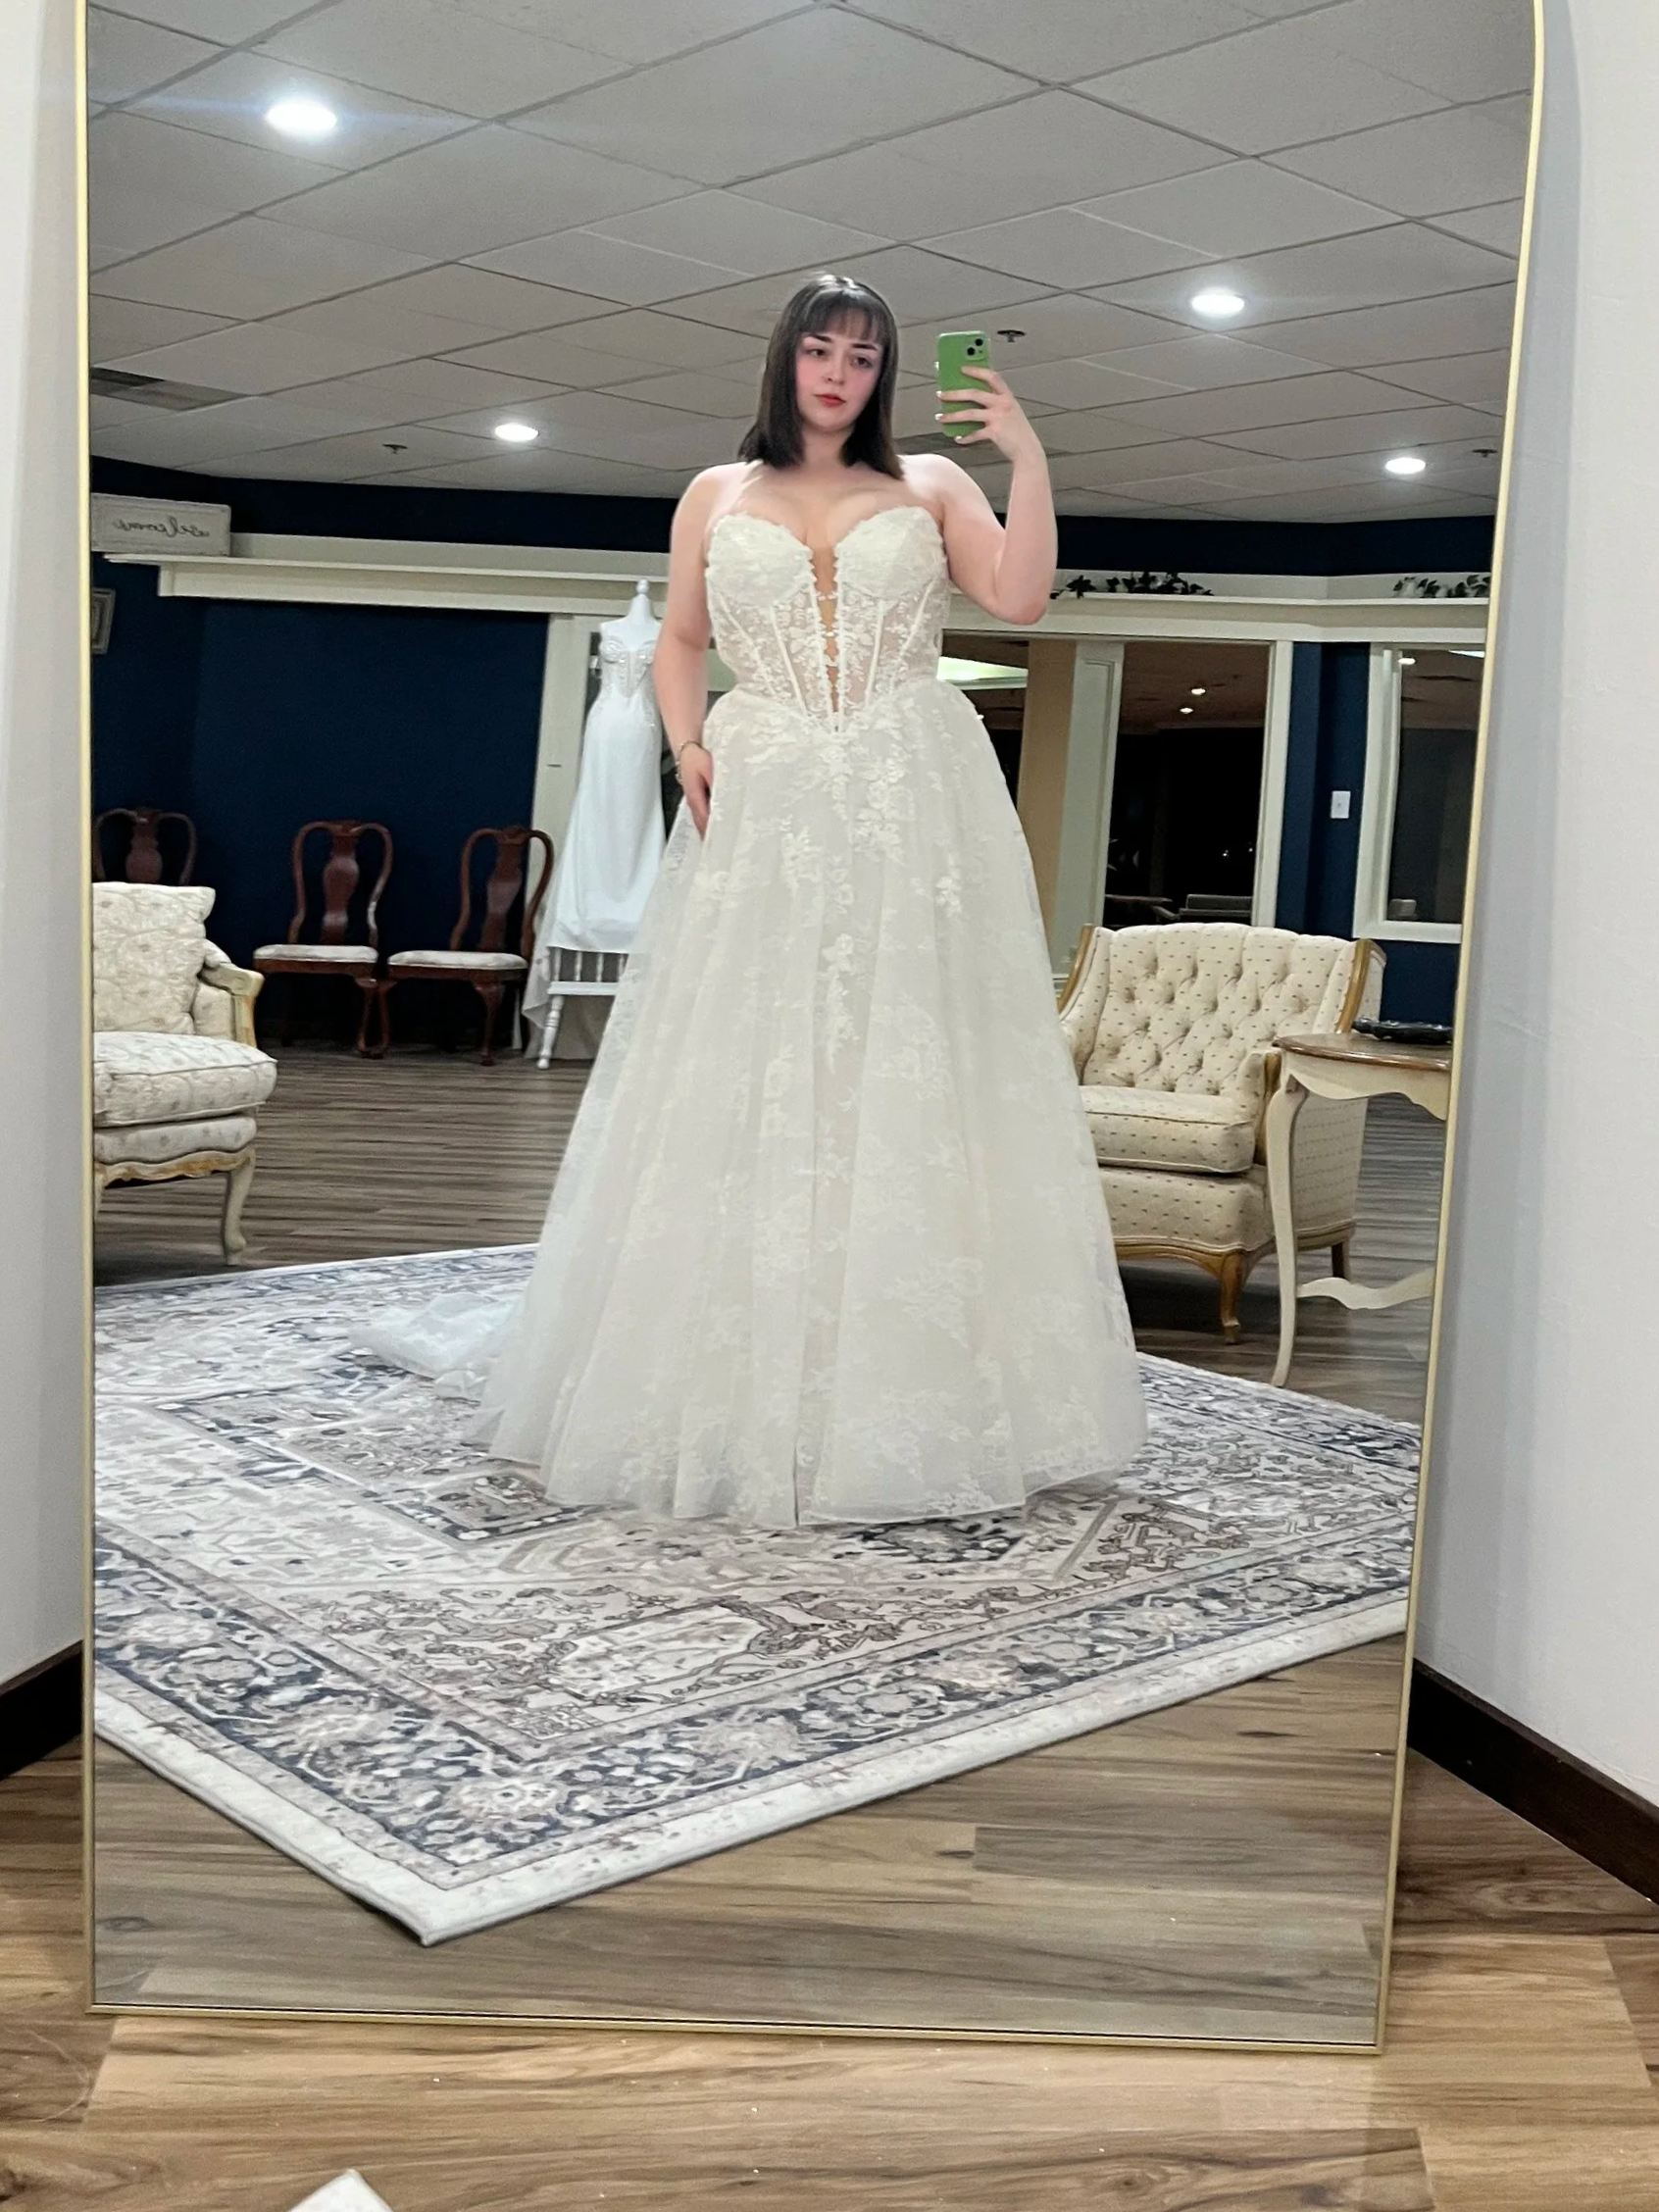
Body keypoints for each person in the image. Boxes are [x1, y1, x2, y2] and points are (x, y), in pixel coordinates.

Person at [372, 274, 1145, 1528]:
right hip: (767, 782)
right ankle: (724, 1358)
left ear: (886, 374)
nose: (839, 374)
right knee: (746, 1044)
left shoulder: (933, 485)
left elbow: (1018, 599)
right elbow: (682, 639)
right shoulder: (714, 493)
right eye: (821, 350)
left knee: (909, 1048)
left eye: (863, 356)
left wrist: (1027, 458)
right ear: (785, 361)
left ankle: (910, 1367)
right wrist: (688, 745)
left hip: (907, 788)